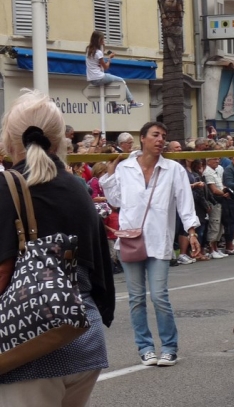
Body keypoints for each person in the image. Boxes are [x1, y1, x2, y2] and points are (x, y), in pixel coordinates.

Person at [0, 89, 114, 404]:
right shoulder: (78, 188)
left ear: (9, 141)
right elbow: (99, 268)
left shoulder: (6, 186)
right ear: (59, 140)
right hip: (82, 334)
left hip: (28, 344)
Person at [100, 121, 201, 367]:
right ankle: (145, 347)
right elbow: (115, 201)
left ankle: (169, 346)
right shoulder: (125, 168)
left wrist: (192, 231)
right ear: (142, 138)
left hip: (159, 240)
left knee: (159, 296)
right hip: (130, 240)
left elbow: (184, 202)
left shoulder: (173, 169)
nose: (160, 140)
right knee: (135, 298)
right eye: (155, 135)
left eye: (163, 136)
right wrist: (110, 176)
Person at [85, 30, 142, 110]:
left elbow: (100, 53)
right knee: (121, 81)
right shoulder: (98, 53)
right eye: (102, 40)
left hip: (91, 79)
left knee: (108, 86)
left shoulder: (88, 50)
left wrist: (103, 45)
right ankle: (132, 102)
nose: (103, 41)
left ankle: (114, 106)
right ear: (98, 40)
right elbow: (106, 67)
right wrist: (109, 59)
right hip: (99, 77)